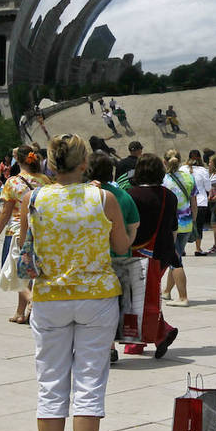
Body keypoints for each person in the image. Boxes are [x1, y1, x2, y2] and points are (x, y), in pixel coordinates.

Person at [24, 134, 128, 431]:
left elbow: (29, 245)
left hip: (50, 297)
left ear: (51, 164)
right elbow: (122, 247)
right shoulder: (103, 197)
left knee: (50, 384)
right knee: (89, 384)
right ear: (85, 164)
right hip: (96, 297)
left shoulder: (34, 197)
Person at [125, 153, 181, 358]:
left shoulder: (131, 194)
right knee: (148, 295)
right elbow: (173, 227)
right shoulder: (169, 195)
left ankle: (139, 341)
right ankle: (160, 333)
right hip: (162, 252)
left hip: (137, 251)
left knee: (138, 299)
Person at [86, 152, 140, 364]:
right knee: (114, 304)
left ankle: (102, 346)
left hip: (92, 258)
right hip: (120, 257)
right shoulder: (123, 196)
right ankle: (110, 345)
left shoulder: (88, 195)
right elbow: (134, 226)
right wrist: (126, 242)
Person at [0, 146, 51, 324]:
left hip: (17, 230)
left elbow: (5, 213)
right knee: (28, 270)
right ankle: (20, 312)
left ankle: (32, 300)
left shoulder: (12, 182)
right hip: (39, 228)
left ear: (20, 161)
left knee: (14, 271)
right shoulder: (45, 180)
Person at [160, 149, 195, 307]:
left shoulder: (164, 180)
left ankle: (183, 297)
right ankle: (167, 291)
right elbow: (194, 202)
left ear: (165, 161)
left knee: (176, 261)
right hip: (186, 223)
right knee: (175, 256)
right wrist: (193, 219)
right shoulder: (188, 177)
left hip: (171, 225)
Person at [186, 150, 211, 257]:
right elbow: (208, 187)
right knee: (199, 226)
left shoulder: (182, 169)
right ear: (200, 158)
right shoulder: (203, 170)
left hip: (185, 202)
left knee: (183, 226)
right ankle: (198, 248)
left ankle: (181, 248)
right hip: (200, 202)